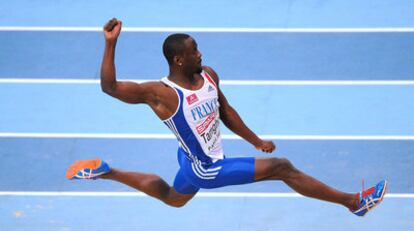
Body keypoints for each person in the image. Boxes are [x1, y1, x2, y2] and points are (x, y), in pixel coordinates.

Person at [66, 18, 387, 216]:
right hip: (207, 168)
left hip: (189, 161)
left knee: (173, 198)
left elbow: (226, 111)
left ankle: (107, 172)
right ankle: (352, 202)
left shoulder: (208, 75)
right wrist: (110, 44)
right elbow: (109, 87)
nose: (200, 54)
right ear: (179, 59)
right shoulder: (161, 94)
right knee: (282, 168)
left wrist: (256, 141)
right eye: (194, 51)